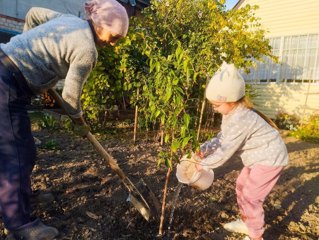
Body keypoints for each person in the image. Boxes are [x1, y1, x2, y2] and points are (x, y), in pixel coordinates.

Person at [0, 0, 129, 239]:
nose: (113, 44)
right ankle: (19, 226)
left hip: (6, 67)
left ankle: (19, 197)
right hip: (6, 83)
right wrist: (79, 121)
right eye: (114, 36)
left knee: (20, 151)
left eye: (118, 39)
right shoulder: (87, 50)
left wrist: (28, 47)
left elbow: (33, 13)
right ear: (101, 24)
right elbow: (70, 98)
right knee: (17, 154)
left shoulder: (68, 21)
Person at [195, 62, 288, 240]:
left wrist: (203, 164)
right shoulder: (231, 113)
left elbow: (225, 150)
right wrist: (203, 150)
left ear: (231, 100)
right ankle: (247, 222)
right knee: (241, 186)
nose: (214, 109)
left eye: (216, 105)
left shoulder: (241, 117)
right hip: (257, 158)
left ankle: (256, 235)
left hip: (270, 158)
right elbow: (223, 137)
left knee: (252, 196)